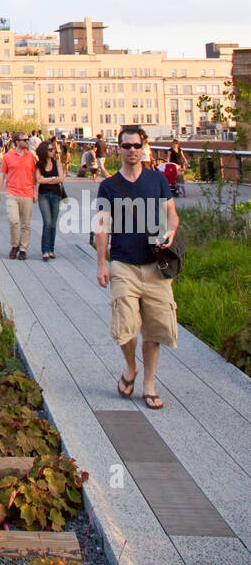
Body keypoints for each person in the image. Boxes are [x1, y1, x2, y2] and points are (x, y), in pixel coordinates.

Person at [93, 124, 179, 411]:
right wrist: (101, 263)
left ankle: (149, 385)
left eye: (136, 145)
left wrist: (171, 233)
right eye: (126, 146)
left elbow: (172, 216)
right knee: (125, 326)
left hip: (155, 264)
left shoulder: (157, 181)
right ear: (118, 149)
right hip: (124, 263)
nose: (131, 150)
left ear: (144, 147)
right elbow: (102, 226)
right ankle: (131, 368)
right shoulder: (108, 185)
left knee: (155, 329)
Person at [0, 133, 38, 260]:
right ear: (17, 142)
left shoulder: (31, 157)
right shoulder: (8, 157)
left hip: (27, 193)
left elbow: (34, 176)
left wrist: (36, 192)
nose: (27, 142)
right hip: (12, 193)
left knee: (25, 224)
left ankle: (23, 249)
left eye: (27, 140)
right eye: (24, 140)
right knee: (13, 220)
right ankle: (15, 245)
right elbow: (2, 175)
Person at [35, 138, 64, 260]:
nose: (53, 151)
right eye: (50, 150)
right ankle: (45, 250)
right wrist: (53, 178)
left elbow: (61, 178)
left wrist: (48, 179)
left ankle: (51, 249)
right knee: (47, 222)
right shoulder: (39, 164)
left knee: (53, 223)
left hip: (56, 195)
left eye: (53, 149)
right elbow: (38, 180)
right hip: (44, 195)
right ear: (44, 151)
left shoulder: (57, 163)